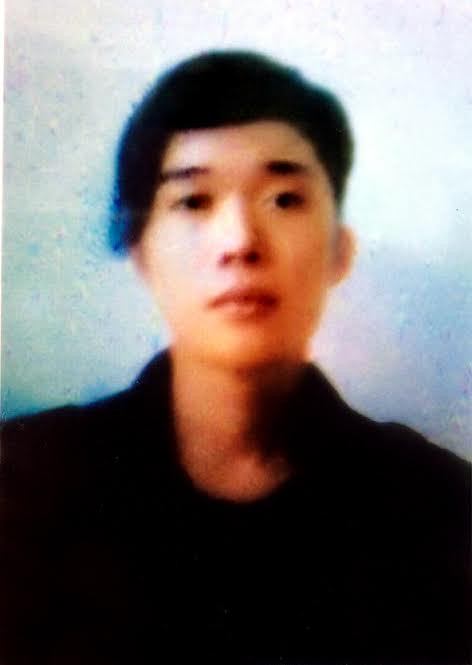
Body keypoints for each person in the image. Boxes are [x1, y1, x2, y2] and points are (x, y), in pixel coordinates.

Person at [1, 51, 470, 665]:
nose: (240, 241)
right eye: (194, 201)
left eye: (284, 199)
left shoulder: (439, 509)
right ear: (141, 252)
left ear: (340, 250)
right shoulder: (26, 485)